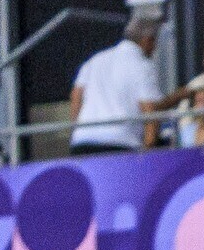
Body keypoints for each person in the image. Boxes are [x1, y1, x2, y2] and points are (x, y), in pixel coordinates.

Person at [68, 9, 175, 155]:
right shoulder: (141, 66)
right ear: (147, 40)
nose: (155, 48)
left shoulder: (95, 60)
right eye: (154, 42)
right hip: (120, 144)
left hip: (82, 142)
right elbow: (151, 112)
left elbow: (76, 96)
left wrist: (79, 129)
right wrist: (147, 150)